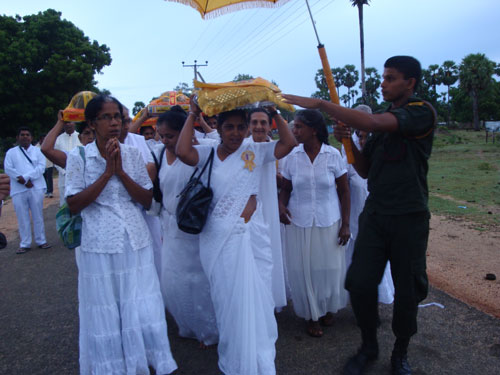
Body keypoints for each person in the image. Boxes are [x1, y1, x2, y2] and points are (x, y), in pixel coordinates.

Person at [283, 55, 435, 375]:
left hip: (409, 215)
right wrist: (347, 145)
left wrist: (323, 104)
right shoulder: (383, 121)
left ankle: (400, 353)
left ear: (410, 83)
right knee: (359, 283)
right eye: (383, 77)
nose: (384, 83)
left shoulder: (420, 113)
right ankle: (368, 346)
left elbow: (372, 123)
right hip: (377, 214)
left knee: (408, 291)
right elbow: (364, 171)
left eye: (391, 78)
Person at [176, 100, 296, 374]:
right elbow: (182, 151)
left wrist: (275, 112)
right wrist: (193, 113)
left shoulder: (255, 150)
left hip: (250, 236)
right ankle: (234, 351)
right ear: (217, 127)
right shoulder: (207, 153)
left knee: (256, 295)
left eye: (240, 127)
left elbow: (288, 145)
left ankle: (255, 353)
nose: (235, 133)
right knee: (225, 298)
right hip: (215, 237)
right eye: (229, 127)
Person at [65, 95, 177, 375]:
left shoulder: (132, 154)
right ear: (92, 123)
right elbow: (74, 204)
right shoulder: (78, 157)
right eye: (107, 117)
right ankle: (112, 366)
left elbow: (147, 199)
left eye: (119, 117)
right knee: (106, 307)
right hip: (99, 244)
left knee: (142, 304)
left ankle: (145, 360)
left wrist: (122, 173)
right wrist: (106, 173)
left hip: (135, 240)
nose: (115, 122)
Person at [278, 109, 350, 338]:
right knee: (304, 270)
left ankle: (328, 308)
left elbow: (345, 191)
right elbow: (286, 188)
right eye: (294, 127)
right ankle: (312, 315)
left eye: (298, 127)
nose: (294, 131)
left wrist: (346, 224)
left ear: (314, 130)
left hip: (328, 221)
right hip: (299, 222)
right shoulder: (291, 157)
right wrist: (281, 205)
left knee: (329, 269)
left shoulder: (332, 156)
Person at [150, 106, 218, 347]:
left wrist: (194, 117)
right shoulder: (157, 153)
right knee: (172, 278)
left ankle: (208, 329)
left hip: (193, 225)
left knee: (198, 279)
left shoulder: (202, 153)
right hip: (168, 225)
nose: (165, 140)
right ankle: (186, 324)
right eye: (161, 135)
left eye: (170, 135)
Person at [341, 106, 394, 306]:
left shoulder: (379, 142)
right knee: (353, 257)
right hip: (355, 211)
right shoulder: (346, 146)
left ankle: (375, 300)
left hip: (376, 211)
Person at [248, 107, 287, 311]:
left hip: (268, 207)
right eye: (254, 122)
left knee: (269, 252)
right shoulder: (242, 147)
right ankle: (253, 302)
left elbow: (290, 142)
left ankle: (270, 302)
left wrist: (276, 112)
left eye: (264, 122)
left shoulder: (271, 148)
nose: (259, 126)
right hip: (247, 210)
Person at [4, 127, 51, 254]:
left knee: (38, 215)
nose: (25, 137)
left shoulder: (38, 151)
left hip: (35, 187)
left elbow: (41, 168)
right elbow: (8, 168)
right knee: (22, 217)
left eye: (27, 135)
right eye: (22, 135)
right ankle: (25, 243)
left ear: (31, 137)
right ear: (17, 137)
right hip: (19, 189)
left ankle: (41, 240)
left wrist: (26, 178)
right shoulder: (11, 152)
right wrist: (23, 181)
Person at [55, 121, 82, 206]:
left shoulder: (80, 136)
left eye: (70, 122)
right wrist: (65, 171)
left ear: (74, 123)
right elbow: (55, 158)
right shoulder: (58, 139)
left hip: (79, 175)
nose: (68, 124)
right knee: (64, 203)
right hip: (64, 176)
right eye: (66, 123)